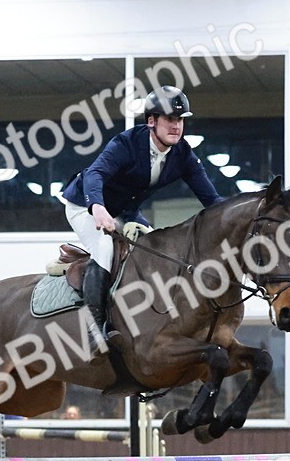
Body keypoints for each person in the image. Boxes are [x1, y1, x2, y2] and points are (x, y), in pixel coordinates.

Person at [60, 85, 224, 354]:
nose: (176, 127)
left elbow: (212, 200)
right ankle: (95, 329)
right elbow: (95, 174)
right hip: (84, 204)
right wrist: (97, 207)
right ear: (151, 121)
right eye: (170, 119)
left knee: (157, 246)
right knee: (105, 247)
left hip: (123, 212)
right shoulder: (126, 143)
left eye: (180, 120)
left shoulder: (182, 153)